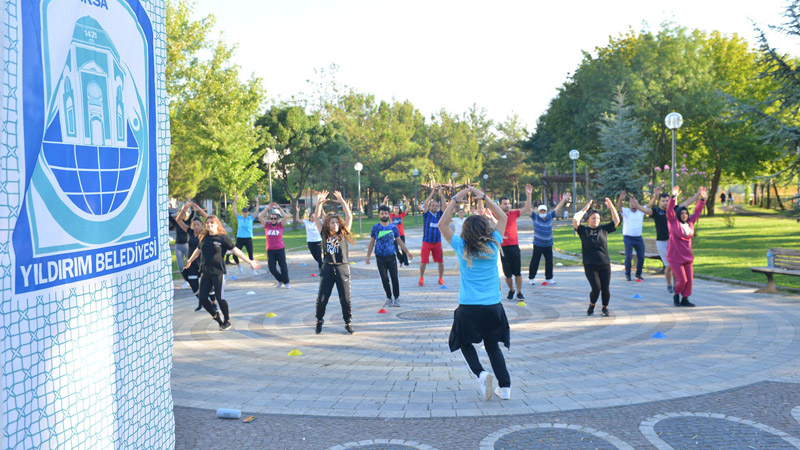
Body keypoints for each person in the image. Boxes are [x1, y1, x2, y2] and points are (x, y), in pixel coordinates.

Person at [438, 185, 512, 401]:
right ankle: (505, 388)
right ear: (486, 228)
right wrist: (486, 198)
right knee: (492, 346)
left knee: (462, 342)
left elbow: (442, 224)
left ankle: (481, 374)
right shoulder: (494, 243)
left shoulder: (461, 246)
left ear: (466, 231)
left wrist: (455, 199)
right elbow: (503, 217)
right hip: (492, 306)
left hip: (468, 307)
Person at [185, 215, 260, 330]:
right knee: (203, 299)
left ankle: (227, 320)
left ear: (217, 225)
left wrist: (250, 262)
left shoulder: (223, 238)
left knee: (220, 298)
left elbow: (236, 251)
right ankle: (217, 318)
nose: (209, 225)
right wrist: (190, 260)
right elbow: (198, 250)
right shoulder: (204, 237)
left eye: (212, 223)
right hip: (205, 272)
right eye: (207, 223)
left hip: (218, 272)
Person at [641, 187, 700, 293]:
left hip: (674, 243)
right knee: (669, 266)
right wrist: (636, 205)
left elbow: (687, 202)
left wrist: (698, 194)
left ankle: (676, 285)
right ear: (660, 202)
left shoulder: (675, 209)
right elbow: (645, 210)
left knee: (675, 266)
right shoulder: (655, 211)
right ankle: (669, 284)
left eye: (667, 200)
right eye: (663, 201)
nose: (665, 203)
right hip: (662, 243)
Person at [313, 190, 356, 334]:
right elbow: (316, 217)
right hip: (327, 269)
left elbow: (349, 216)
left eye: (337, 222)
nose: (335, 224)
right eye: (332, 222)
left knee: (345, 299)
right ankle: (319, 320)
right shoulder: (324, 233)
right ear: (328, 224)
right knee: (322, 298)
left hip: (342, 267)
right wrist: (319, 203)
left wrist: (342, 201)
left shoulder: (343, 233)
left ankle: (348, 322)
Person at [573, 198, 621, 317]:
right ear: (588, 219)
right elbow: (575, 220)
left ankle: (605, 308)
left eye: (598, 218)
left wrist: (611, 207)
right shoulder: (584, 231)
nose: (596, 220)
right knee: (596, 288)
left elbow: (616, 221)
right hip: (590, 264)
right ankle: (592, 304)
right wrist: (585, 208)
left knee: (605, 288)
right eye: (593, 218)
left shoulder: (603, 229)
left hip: (604, 263)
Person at [667, 185, 707, 307]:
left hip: (687, 257)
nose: (684, 215)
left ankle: (685, 299)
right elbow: (669, 211)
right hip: (675, 257)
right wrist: (673, 197)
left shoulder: (690, 222)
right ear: (678, 214)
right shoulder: (674, 222)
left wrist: (702, 199)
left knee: (689, 280)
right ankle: (676, 295)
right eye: (682, 213)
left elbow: (697, 212)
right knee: (682, 280)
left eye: (686, 213)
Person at [366, 205, 414, 307]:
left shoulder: (393, 227)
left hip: (391, 256)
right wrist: (368, 256)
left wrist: (407, 252)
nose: (384, 215)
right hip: (380, 257)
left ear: (389, 215)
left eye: (386, 213)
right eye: (382, 213)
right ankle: (389, 298)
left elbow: (399, 241)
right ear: (379, 215)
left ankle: (396, 298)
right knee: (384, 279)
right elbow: (371, 243)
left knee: (394, 278)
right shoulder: (376, 228)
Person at [497, 184, 534, 300]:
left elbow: (527, 208)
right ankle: (511, 289)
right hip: (503, 248)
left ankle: (519, 292)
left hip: (514, 247)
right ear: (499, 205)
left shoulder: (513, 213)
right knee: (507, 274)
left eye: (508, 203)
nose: (507, 205)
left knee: (517, 273)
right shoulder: (496, 214)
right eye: (505, 203)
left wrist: (529, 195)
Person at [528, 193, 570, 286]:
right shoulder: (535, 217)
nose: (542, 212)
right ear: (539, 212)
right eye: (541, 211)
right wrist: (529, 195)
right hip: (538, 244)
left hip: (548, 244)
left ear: (546, 211)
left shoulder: (550, 216)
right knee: (535, 261)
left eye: (544, 211)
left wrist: (563, 199)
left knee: (549, 262)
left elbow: (557, 208)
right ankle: (531, 278)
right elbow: (528, 208)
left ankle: (549, 278)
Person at [419, 181, 447, 286]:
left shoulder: (439, 214)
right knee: (424, 261)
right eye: (433, 205)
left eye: (436, 205)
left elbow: (445, 206)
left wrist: (441, 194)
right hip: (427, 242)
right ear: (430, 207)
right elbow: (425, 204)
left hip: (437, 242)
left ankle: (440, 278)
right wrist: (432, 192)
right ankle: (421, 277)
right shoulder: (427, 214)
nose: (434, 207)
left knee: (440, 261)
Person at [258, 203, 291, 288]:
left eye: (275, 218)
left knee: (283, 267)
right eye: (271, 218)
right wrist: (267, 208)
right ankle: (280, 280)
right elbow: (260, 217)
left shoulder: (280, 225)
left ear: (277, 219)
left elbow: (286, 217)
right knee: (272, 268)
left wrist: (279, 208)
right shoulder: (267, 225)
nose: (273, 219)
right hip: (270, 250)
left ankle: (286, 282)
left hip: (280, 250)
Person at [616, 190, 646, 282]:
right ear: (629, 204)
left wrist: (655, 197)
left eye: (634, 203)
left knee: (641, 257)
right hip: (628, 238)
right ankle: (628, 274)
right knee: (628, 256)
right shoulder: (626, 211)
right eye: (631, 203)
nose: (633, 205)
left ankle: (638, 274)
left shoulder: (641, 211)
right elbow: (619, 208)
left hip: (638, 238)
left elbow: (649, 205)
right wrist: (620, 199)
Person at [229, 193, 259, 275]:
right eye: (244, 212)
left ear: (248, 212)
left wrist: (257, 202)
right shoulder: (239, 218)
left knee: (250, 255)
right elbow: (234, 210)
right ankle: (239, 266)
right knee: (235, 255)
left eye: (246, 212)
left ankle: (253, 269)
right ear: (242, 212)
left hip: (248, 239)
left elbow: (256, 211)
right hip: (240, 238)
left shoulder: (250, 218)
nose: (245, 213)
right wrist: (235, 200)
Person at [169, 203, 192, 288]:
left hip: (186, 245)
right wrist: (180, 211)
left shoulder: (186, 223)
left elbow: (192, 214)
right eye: (180, 215)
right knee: (180, 265)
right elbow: (169, 216)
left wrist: (189, 206)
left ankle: (190, 279)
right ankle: (186, 280)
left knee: (189, 263)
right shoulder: (176, 224)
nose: (181, 216)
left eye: (183, 215)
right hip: (178, 246)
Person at [296, 204, 324, 271]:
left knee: (319, 256)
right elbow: (297, 219)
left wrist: (322, 211)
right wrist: (297, 211)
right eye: (311, 217)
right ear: (309, 217)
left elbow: (325, 218)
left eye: (314, 217)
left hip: (318, 241)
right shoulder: (306, 222)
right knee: (314, 256)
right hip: (310, 241)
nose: (313, 218)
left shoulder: (318, 221)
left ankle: (321, 268)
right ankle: (323, 264)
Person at [386, 195, 410, 266]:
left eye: (397, 208)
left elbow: (408, 209)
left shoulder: (401, 215)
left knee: (403, 249)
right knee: (395, 249)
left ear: (399, 209)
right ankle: (401, 260)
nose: (396, 209)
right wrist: (385, 202)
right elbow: (385, 209)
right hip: (394, 235)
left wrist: (406, 201)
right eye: (395, 208)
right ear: (393, 209)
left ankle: (406, 262)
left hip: (401, 234)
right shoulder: (391, 216)